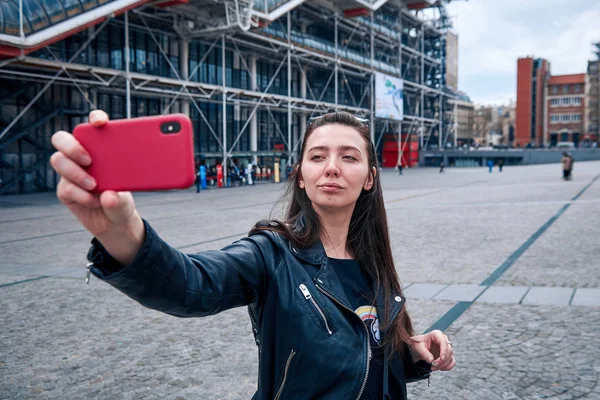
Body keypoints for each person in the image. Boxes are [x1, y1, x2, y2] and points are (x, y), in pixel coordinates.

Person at [49, 110, 455, 399]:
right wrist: (123, 234)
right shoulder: (272, 252)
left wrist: (409, 350)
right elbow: (192, 285)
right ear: (300, 173)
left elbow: (364, 358)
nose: (332, 167)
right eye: (317, 156)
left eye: (349, 157)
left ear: (369, 178)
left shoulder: (374, 262)